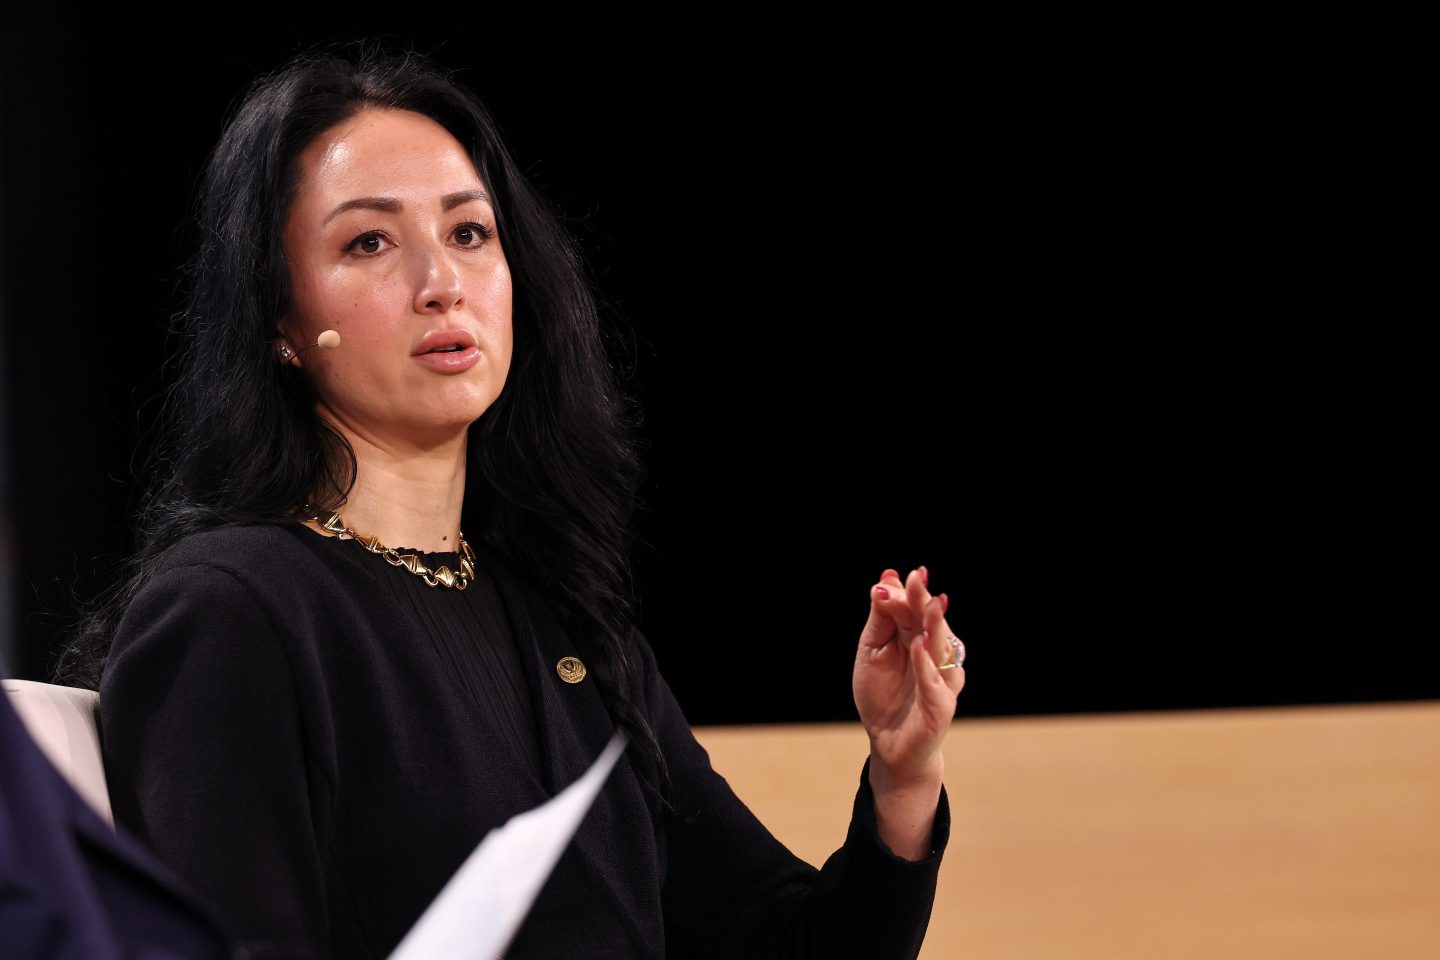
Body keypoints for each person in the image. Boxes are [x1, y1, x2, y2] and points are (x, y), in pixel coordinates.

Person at [57, 42, 967, 960]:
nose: (440, 284)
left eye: (469, 233)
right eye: (369, 242)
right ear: (283, 320)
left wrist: (903, 773)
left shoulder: (564, 618)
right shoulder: (233, 611)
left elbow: (793, 946)